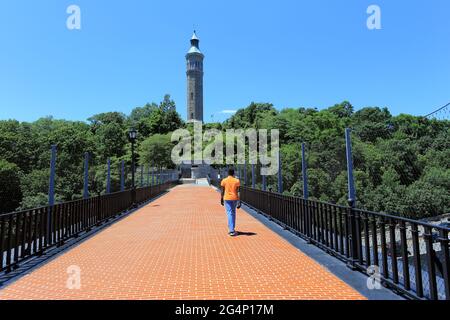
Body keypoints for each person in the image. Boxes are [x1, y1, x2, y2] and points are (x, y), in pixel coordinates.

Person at [220, 168, 241, 236]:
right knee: (233, 212)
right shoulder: (237, 181)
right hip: (234, 198)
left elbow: (222, 191)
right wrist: (239, 201)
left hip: (227, 198)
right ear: (233, 173)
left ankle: (231, 230)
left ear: (228, 173)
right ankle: (233, 228)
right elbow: (238, 191)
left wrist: (221, 198)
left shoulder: (224, 180)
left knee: (229, 213)